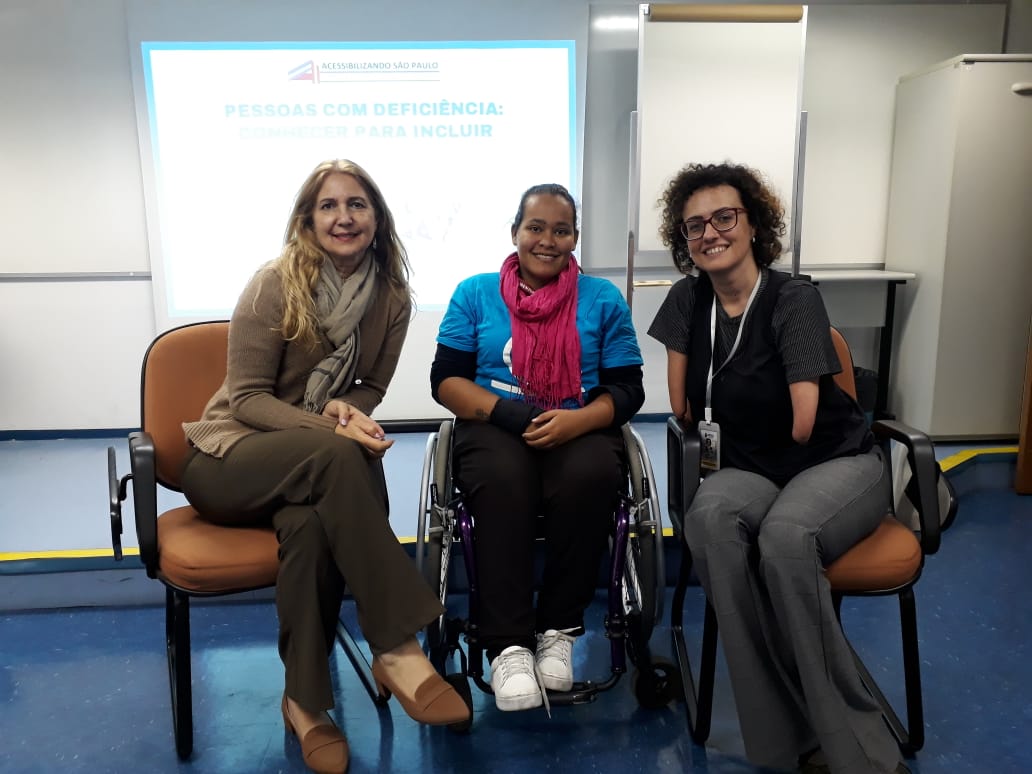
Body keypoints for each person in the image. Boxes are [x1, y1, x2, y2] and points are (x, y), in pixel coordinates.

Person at [180, 159, 469, 774]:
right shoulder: (274, 284)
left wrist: (348, 406)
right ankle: (394, 644)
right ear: (307, 220)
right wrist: (332, 426)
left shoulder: (390, 296)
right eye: (330, 206)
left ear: (376, 218)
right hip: (228, 456)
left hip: (307, 471)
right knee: (344, 452)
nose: (344, 217)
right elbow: (250, 399)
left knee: (312, 530)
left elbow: (370, 385)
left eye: (357, 205)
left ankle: (305, 702)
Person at [647, 162, 907, 774]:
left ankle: (859, 753)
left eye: (724, 218)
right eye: (693, 227)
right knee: (711, 522)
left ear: (754, 223)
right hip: (748, 466)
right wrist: (699, 342)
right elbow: (683, 407)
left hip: (832, 461)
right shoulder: (688, 298)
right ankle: (789, 740)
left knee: (786, 539)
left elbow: (803, 422)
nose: (709, 233)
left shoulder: (794, 298)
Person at [429, 183, 645, 712]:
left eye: (561, 229)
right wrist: (507, 413)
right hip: (494, 422)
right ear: (515, 233)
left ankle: (558, 632)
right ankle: (507, 645)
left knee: (590, 474)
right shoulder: (475, 293)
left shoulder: (602, 299)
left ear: (574, 238)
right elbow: (446, 380)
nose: (548, 240)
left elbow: (627, 388)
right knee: (504, 481)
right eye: (536, 227)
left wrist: (576, 423)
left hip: (579, 420)